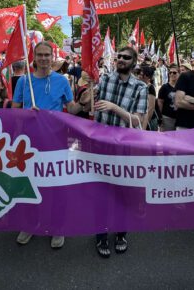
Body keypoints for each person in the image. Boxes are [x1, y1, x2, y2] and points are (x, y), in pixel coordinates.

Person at [13, 42, 83, 249]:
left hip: (56, 141)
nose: (44, 59)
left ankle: (57, 227)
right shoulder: (23, 82)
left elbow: (71, 108)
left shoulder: (61, 81)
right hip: (29, 143)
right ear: (33, 57)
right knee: (29, 184)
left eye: (47, 55)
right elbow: (14, 110)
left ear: (53, 57)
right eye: (40, 55)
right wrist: (26, 113)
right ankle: (30, 224)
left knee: (56, 186)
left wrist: (84, 103)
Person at [93, 46, 148, 258]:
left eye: (126, 57)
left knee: (123, 193)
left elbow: (138, 122)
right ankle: (101, 235)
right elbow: (91, 105)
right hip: (100, 145)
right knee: (101, 192)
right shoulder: (105, 79)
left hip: (125, 148)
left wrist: (115, 108)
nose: (121, 60)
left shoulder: (140, 87)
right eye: (119, 57)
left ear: (134, 62)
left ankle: (121, 234)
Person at [157, 63, 179, 131]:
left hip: (180, 118)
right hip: (167, 118)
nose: (172, 74)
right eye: (170, 73)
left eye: (174, 72)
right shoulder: (164, 87)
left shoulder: (182, 87)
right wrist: (160, 118)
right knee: (167, 139)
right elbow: (160, 103)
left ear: (179, 74)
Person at [138, 65, 159, 130]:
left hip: (149, 122)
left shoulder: (150, 88)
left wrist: (145, 124)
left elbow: (151, 108)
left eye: (141, 74)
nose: (139, 76)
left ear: (147, 76)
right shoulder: (141, 86)